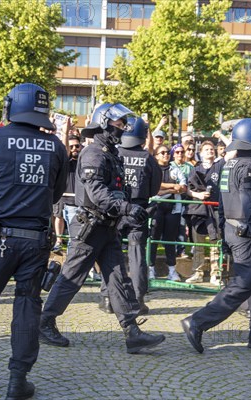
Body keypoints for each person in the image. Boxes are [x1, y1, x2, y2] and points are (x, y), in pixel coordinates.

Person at [0, 83, 68, 398]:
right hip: (36, 241)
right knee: (27, 307)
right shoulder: (56, 146)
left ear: (11, 107)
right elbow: (56, 193)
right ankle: (17, 380)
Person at [39, 103, 165, 354]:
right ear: (105, 123)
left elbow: (118, 189)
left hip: (108, 227)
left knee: (119, 278)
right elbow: (97, 193)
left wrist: (125, 210)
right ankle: (44, 322)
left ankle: (132, 332)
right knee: (71, 278)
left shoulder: (110, 152)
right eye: (119, 123)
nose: (123, 127)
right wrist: (127, 208)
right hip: (91, 228)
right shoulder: (94, 153)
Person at [181, 118, 251, 353]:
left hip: (235, 229)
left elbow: (224, 204)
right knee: (243, 285)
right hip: (248, 232)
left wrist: (224, 232)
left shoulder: (230, 164)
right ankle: (197, 321)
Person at [99, 117, 162, 314]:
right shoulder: (148, 158)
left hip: (116, 210)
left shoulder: (114, 154)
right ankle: (137, 300)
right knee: (137, 256)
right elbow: (154, 188)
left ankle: (107, 298)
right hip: (139, 211)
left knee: (110, 254)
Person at [185, 140, 225, 286]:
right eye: (206, 149)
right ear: (200, 153)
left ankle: (216, 273)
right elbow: (187, 189)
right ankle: (197, 272)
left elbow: (232, 153)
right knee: (198, 243)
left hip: (215, 210)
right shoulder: (195, 169)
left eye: (212, 149)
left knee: (215, 243)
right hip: (199, 209)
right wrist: (199, 195)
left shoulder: (219, 166)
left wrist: (221, 135)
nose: (210, 151)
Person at [148, 145, 187, 281]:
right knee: (153, 239)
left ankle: (172, 270)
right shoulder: (153, 169)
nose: (166, 155)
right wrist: (171, 187)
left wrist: (172, 188)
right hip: (156, 208)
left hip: (173, 208)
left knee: (170, 240)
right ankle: (151, 269)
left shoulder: (175, 169)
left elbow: (183, 187)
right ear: (157, 155)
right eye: (162, 152)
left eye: (167, 152)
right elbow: (154, 188)